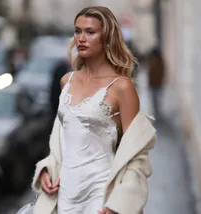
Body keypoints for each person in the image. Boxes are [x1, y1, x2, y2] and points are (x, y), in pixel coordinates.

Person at [31, 6, 156, 214]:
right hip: (64, 194)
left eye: (90, 32)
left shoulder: (121, 87)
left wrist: (119, 204)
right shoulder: (67, 81)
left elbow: (137, 156)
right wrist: (46, 170)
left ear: (107, 38)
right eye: (77, 31)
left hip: (102, 197)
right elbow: (62, 143)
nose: (81, 38)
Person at [147, 48, 165, 120]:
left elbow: (161, 72)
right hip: (153, 83)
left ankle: (157, 111)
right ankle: (156, 111)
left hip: (157, 83)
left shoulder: (159, 61)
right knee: (154, 99)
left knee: (156, 98)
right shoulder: (152, 60)